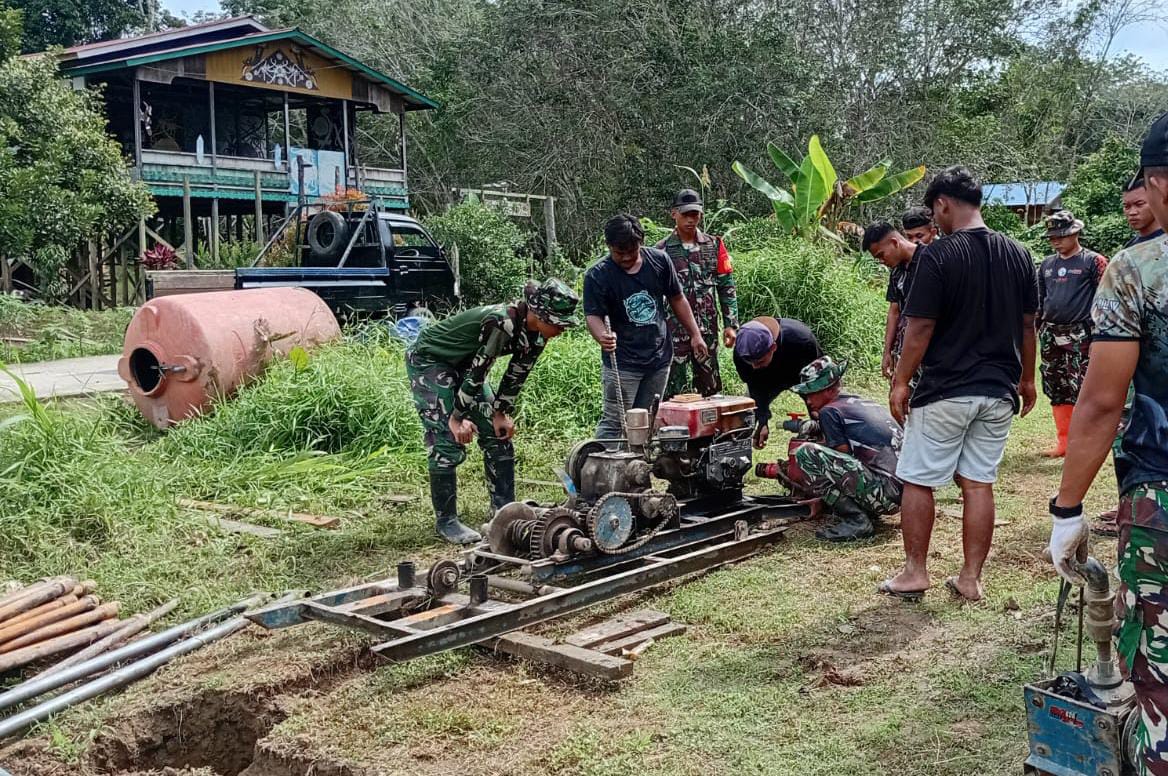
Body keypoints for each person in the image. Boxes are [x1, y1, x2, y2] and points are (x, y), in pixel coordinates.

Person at [1048, 111, 1168, 776]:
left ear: (1156, 182)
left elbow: (1101, 400)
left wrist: (1068, 510)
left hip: (1161, 496)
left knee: (1158, 668)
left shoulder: (1135, 269)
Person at [883, 166, 1039, 602]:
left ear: (943, 204)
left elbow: (919, 328)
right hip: (999, 391)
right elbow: (1029, 326)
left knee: (918, 479)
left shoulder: (938, 256)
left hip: (946, 390)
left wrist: (900, 381)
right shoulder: (1020, 253)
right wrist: (1027, 379)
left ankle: (916, 572)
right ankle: (970, 578)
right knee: (977, 483)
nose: (936, 221)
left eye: (936, 211)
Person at [406, 278, 579, 544]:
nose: (561, 330)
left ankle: (504, 510)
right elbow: (479, 372)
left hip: (465, 365)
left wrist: (501, 413)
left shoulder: (538, 335)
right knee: (447, 439)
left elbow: (517, 374)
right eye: (558, 323)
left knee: (497, 432)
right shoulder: (502, 322)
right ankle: (447, 521)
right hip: (432, 359)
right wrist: (456, 418)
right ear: (538, 314)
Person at [584, 214, 708, 440]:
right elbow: (593, 315)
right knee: (615, 422)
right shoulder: (597, 275)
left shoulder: (659, 261)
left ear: (640, 243)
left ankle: (635, 469)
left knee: (647, 421)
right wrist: (602, 336)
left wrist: (695, 334)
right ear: (609, 246)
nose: (627, 257)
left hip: (658, 358)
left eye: (632, 251)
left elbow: (677, 299)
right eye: (619, 253)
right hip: (622, 363)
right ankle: (602, 469)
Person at [780, 357, 904, 542]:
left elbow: (841, 459)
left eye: (812, 393)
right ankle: (863, 511)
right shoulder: (860, 402)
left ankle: (856, 520)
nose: (808, 400)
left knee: (806, 454)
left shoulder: (829, 411)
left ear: (829, 389)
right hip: (905, 494)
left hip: (885, 494)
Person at [1037, 210, 1108, 458]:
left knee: (1084, 387)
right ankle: (1064, 442)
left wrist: (1103, 335)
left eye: (1061, 236)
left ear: (1075, 233)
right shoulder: (1046, 265)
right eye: (1052, 237)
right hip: (1051, 333)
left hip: (1082, 334)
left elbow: (1106, 299)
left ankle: (1086, 441)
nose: (1056, 241)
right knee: (1056, 386)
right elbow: (1040, 301)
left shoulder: (1093, 261)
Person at [656, 189, 739, 397]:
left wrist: (730, 325)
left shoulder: (714, 245)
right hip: (674, 332)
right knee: (675, 391)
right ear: (674, 214)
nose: (691, 219)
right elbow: (655, 295)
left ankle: (712, 429)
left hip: (706, 329)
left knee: (710, 388)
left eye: (696, 214)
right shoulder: (661, 251)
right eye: (686, 214)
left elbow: (726, 286)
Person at [732, 315, 823, 449]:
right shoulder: (742, 353)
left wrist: (817, 410)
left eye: (760, 361)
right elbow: (755, 387)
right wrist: (762, 421)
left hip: (804, 376)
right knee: (745, 417)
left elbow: (820, 379)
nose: (754, 367)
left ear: (773, 347)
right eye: (750, 363)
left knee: (825, 418)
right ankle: (736, 458)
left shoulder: (801, 340)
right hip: (767, 381)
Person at [863, 222, 921, 381]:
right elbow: (894, 312)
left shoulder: (929, 262)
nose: (881, 261)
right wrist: (887, 351)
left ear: (895, 242)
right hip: (903, 350)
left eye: (881, 255)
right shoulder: (897, 272)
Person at [1123, 176, 1165, 248]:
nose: (1132, 212)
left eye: (1139, 204)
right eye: (1127, 206)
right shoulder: (1130, 246)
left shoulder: (1165, 241)